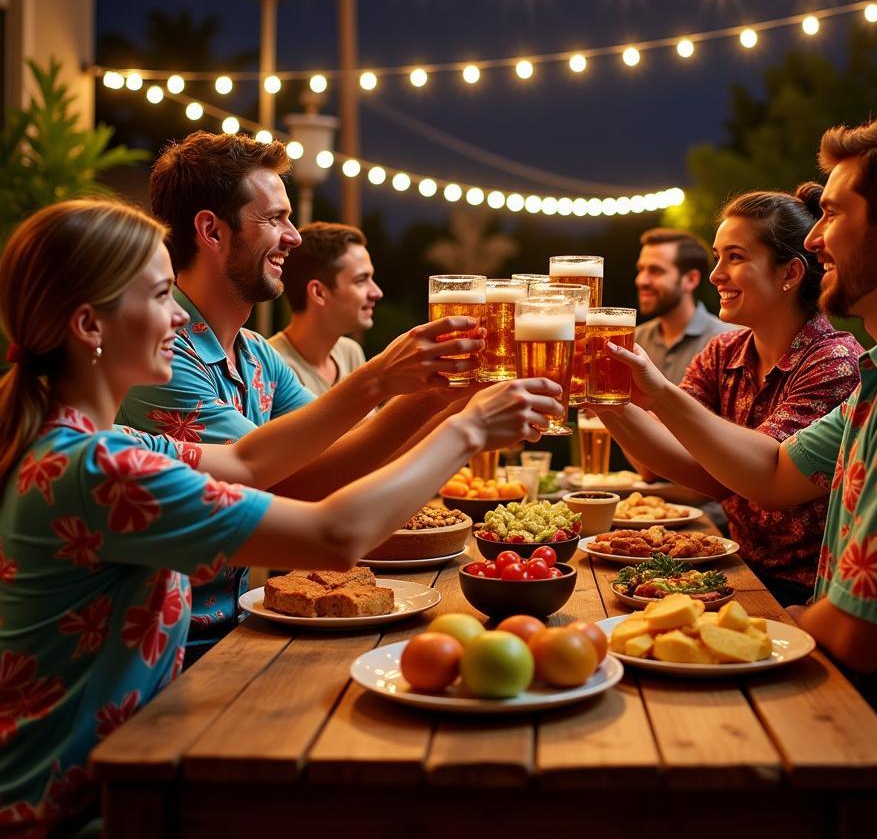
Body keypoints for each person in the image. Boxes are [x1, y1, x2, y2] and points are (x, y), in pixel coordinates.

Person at [0, 199, 560, 835]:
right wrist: (467, 430)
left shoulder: (101, 442)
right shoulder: (101, 470)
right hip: (75, 812)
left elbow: (246, 457)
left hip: (117, 769)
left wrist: (417, 392)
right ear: (89, 326)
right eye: (160, 294)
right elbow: (333, 536)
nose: (180, 313)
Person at [606, 114, 877, 835]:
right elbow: (771, 469)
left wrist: (757, 621)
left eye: (831, 212)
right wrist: (638, 389)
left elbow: (861, 633)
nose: (813, 235)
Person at [117, 131, 485, 659]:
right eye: (274, 218)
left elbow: (348, 459)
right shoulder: (160, 355)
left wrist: (448, 392)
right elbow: (283, 487)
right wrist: (398, 384)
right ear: (211, 231)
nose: (294, 236)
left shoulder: (257, 356)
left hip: (236, 628)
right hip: (173, 653)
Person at [604, 187, 862, 605]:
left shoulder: (835, 361)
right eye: (718, 256)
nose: (715, 275)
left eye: (735, 257)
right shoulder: (724, 352)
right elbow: (702, 472)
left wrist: (659, 394)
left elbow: (764, 477)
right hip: (740, 571)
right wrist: (606, 398)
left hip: (810, 594)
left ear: (789, 274)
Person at [268, 222, 380, 396]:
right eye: (361, 280)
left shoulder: (350, 352)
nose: (377, 293)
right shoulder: (273, 367)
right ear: (319, 292)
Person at [634, 228, 731, 384]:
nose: (641, 280)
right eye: (641, 269)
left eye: (656, 271)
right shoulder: (634, 339)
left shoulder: (728, 342)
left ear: (691, 280)